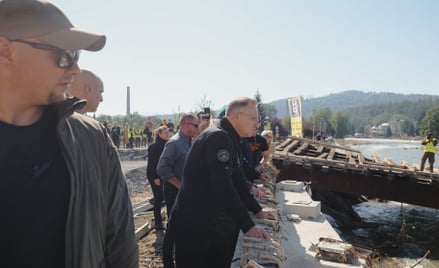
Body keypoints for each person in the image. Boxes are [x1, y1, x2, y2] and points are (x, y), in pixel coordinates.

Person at [0, 1, 138, 267]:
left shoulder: (91, 138)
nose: (74, 69)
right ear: (5, 51)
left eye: (77, 55)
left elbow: (120, 241)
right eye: (64, 54)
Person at [168, 97, 273, 268]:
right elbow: (223, 186)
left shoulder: (229, 136)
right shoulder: (219, 138)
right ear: (236, 116)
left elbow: (237, 177)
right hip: (197, 227)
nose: (257, 124)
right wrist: (247, 226)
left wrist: (257, 210)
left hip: (205, 222)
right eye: (253, 119)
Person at [146, 126, 170, 230]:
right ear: (159, 134)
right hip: (155, 175)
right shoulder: (155, 147)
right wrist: (155, 177)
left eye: (168, 132)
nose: (167, 134)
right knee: (158, 198)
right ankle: (158, 222)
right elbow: (152, 164)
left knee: (163, 196)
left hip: (163, 175)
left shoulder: (167, 145)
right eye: (165, 133)